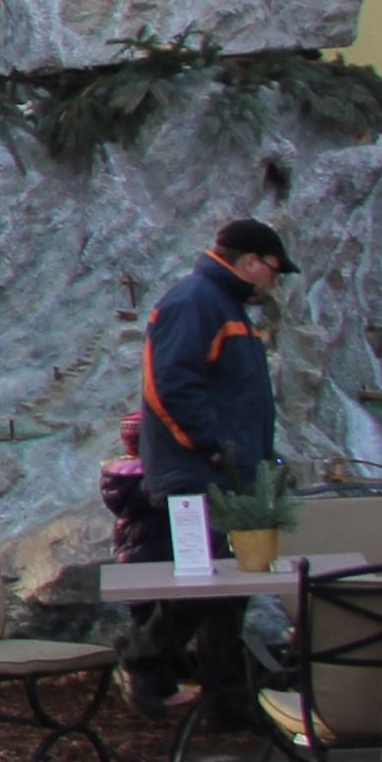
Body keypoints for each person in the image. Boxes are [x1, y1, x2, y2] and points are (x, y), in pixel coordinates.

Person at [124, 218, 294, 713]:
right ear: (251, 263)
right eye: (275, 270)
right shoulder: (197, 301)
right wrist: (214, 446)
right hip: (198, 474)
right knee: (206, 583)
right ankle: (145, 664)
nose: (275, 281)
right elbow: (169, 385)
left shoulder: (224, 307)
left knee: (228, 587)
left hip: (225, 475)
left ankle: (226, 698)